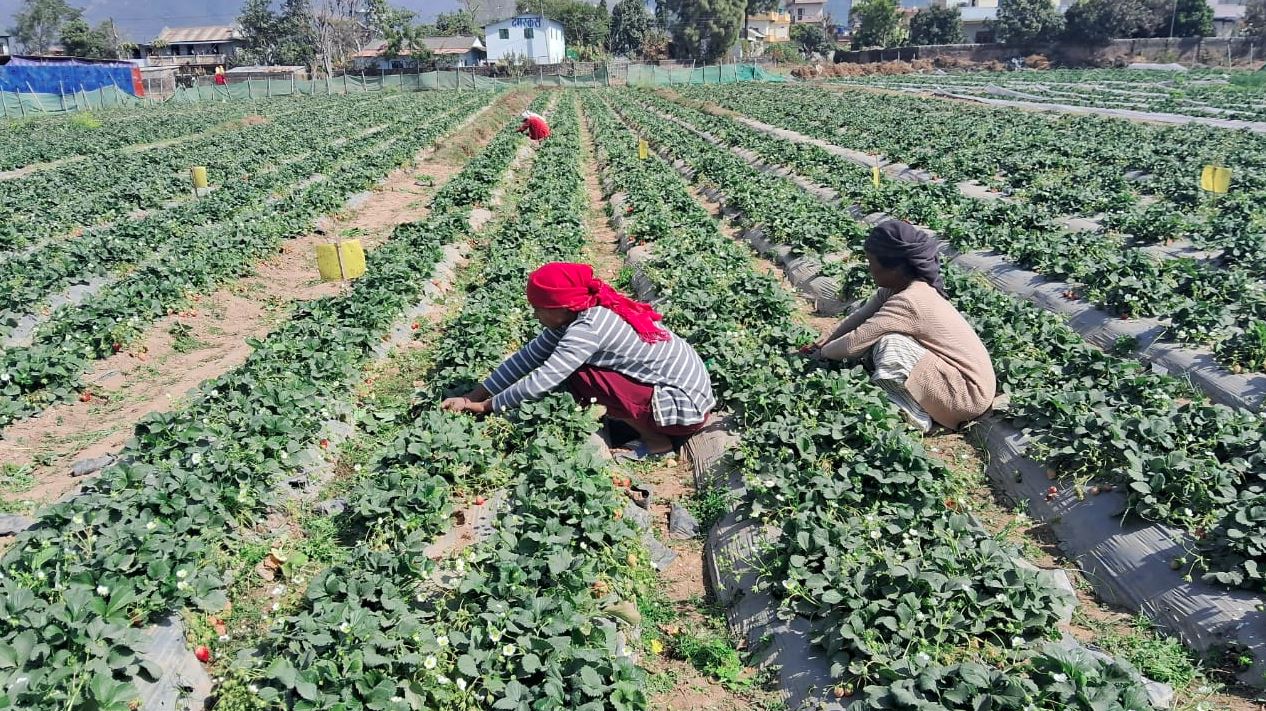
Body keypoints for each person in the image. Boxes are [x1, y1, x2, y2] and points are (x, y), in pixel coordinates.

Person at [442, 262, 715, 460]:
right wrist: (471, 396)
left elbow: (543, 379)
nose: (535, 315)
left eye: (539, 309)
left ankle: (657, 441)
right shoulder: (580, 314)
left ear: (562, 307)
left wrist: (487, 406)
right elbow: (525, 359)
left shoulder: (589, 328)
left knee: (581, 376)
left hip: (685, 408)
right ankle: (638, 421)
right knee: (576, 370)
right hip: (682, 395)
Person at [803, 220, 996, 432]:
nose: (869, 269)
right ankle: (919, 401)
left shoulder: (911, 299)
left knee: (889, 344)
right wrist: (826, 339)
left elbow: (853, 343)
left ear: (895, 266)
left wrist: (821, 354)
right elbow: (860, 318)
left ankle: (916, 412)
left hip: (967, 397)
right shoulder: (898, 288)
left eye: (872, 262)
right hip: (959, 384)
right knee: (876, 342)